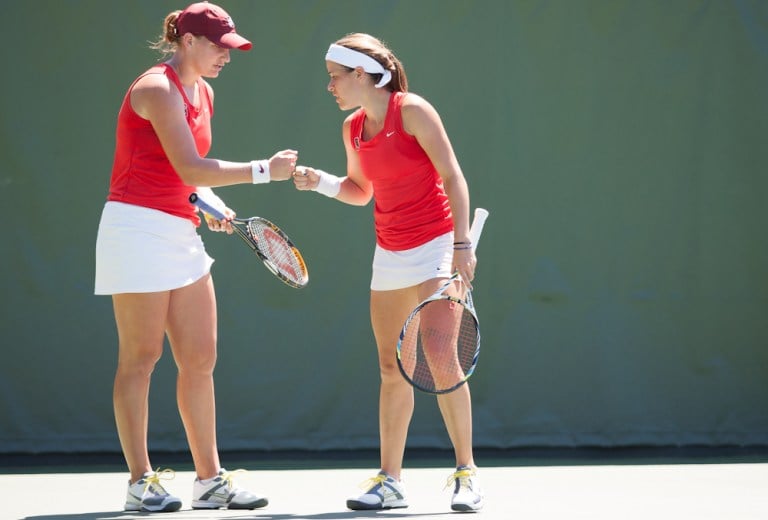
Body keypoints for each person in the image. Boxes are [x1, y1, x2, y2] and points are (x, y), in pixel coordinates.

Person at [94, 2, 298, 512]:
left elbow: (185, 175)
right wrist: (261, 171)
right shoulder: (155, 88)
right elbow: (189, 162)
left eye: (230, 48)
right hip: (135, 230)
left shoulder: (203, 92)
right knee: (140, 360)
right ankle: (141, 482)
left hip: (179, 230)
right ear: (188, 41)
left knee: (200, 358)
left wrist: (208, 202)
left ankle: (210, 481)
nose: (226, 57)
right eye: (218, 47)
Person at [293, 33, 484, 512]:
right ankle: (390, 481)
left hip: (439, 243)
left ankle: (466, 473)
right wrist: (320, 183)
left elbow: (452, 176)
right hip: (391, 253)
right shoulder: (352, 128)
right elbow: (361, 190)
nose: (330, 87)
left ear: (361, 74)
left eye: (335, 77)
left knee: (440, 358)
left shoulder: (413, 110)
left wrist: (462, 244)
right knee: (392, 365)